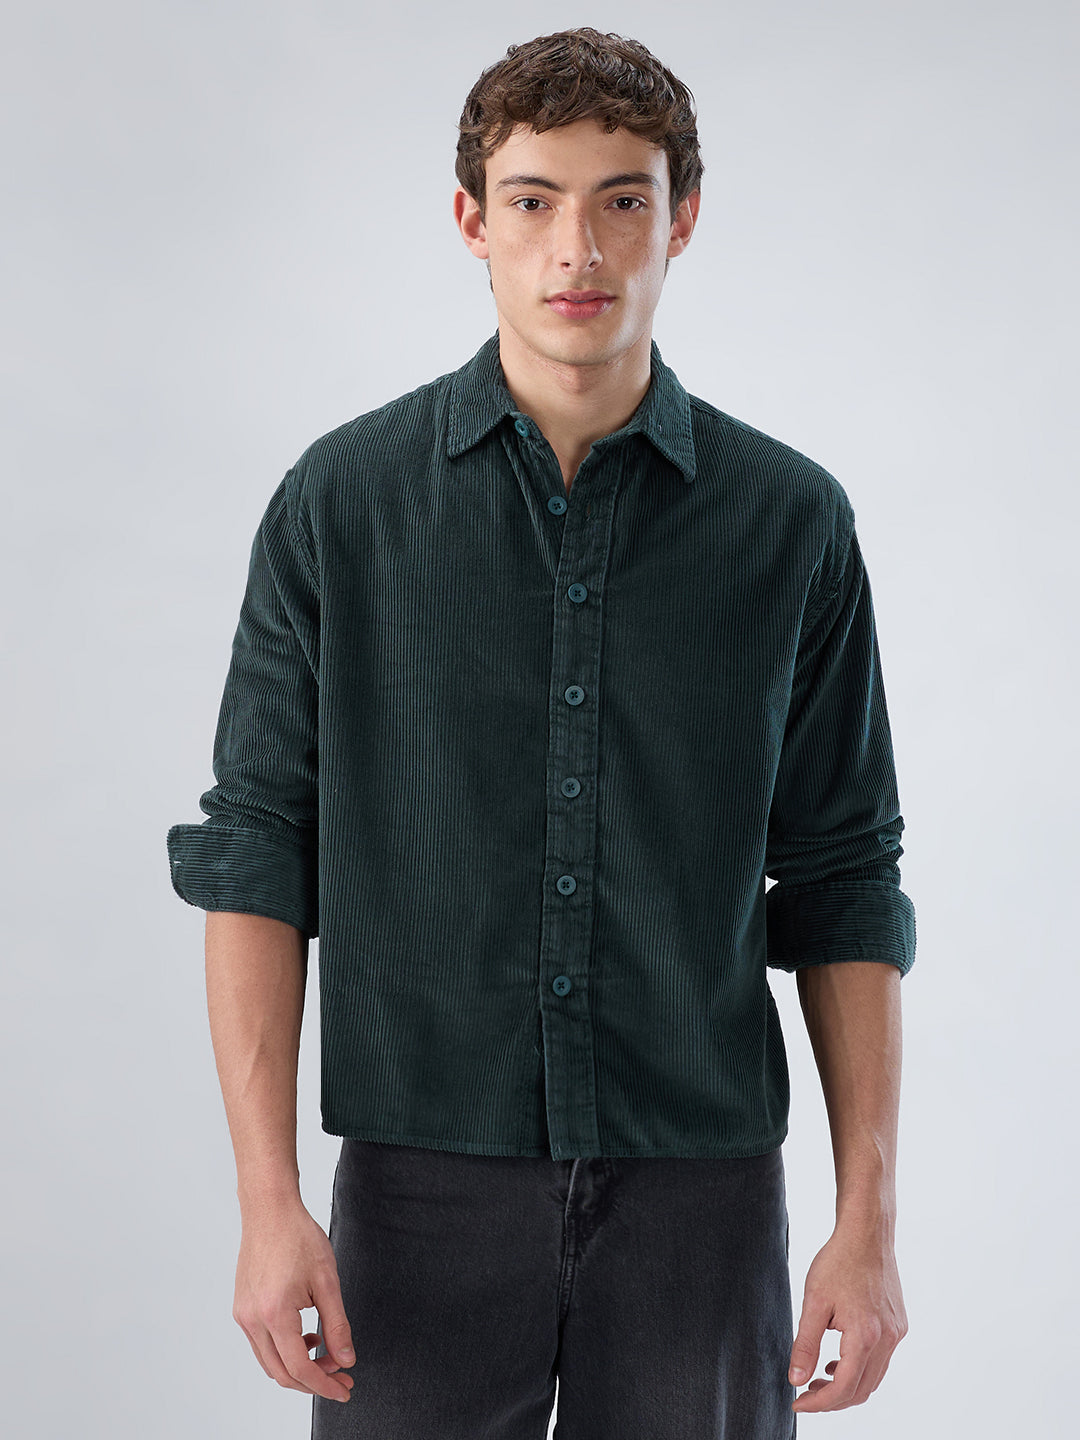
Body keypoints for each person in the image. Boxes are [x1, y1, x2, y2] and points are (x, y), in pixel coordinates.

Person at [166, 26, 915, 1439]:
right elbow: (259, 850)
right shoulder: (342, 505)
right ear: (473, 220)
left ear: (682, 219)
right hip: (417, 1191)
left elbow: (845, 875)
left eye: (624, 199)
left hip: (700, 1198)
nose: (580, 246)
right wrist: (268, 1202)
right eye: (533, 200)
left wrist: (865, 1226)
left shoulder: (790, 524)